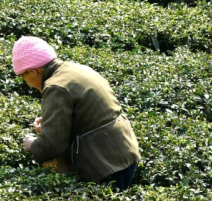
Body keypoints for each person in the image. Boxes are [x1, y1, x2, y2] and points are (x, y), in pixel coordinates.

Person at [14, 36, 141, 190]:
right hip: (123, 150)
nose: (27, 83)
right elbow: (89, 113)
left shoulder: (56, 87)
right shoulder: (76, 69)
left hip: (105, 163)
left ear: (33, 72)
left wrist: (33, 145)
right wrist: (50, 122)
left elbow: (51, 146)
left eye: (24, 77)